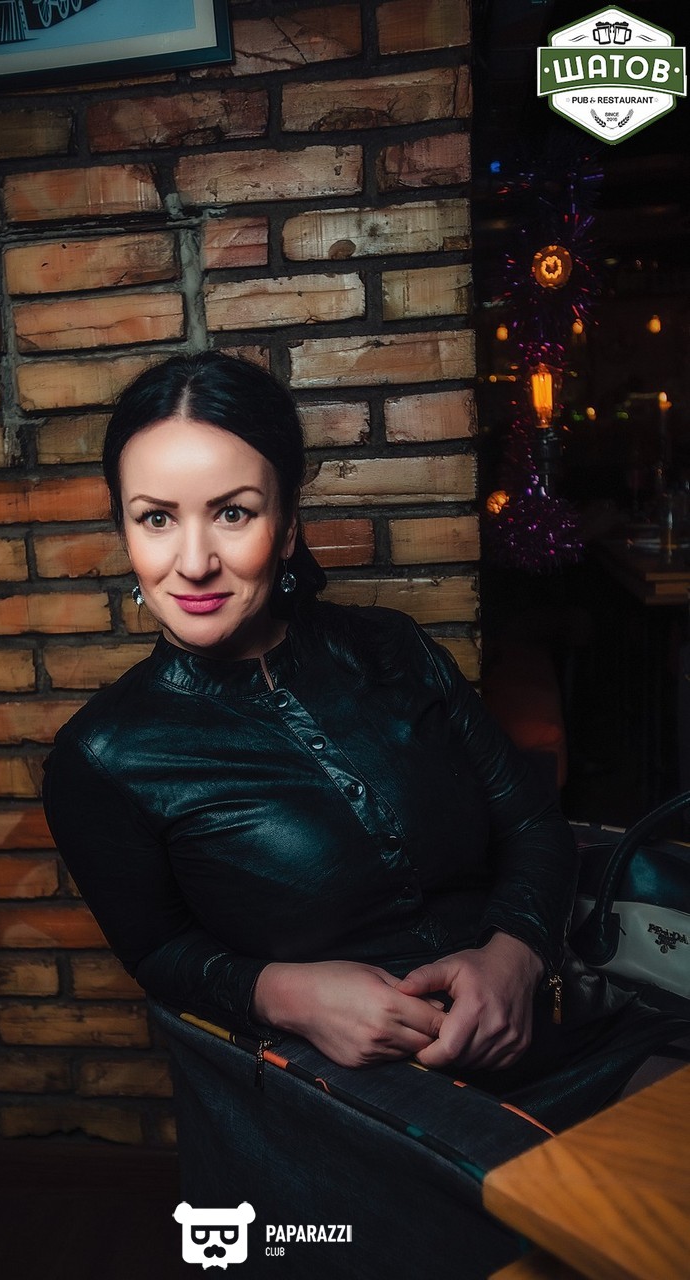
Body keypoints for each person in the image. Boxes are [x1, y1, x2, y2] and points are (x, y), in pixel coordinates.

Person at [43, 351, 686, 1129]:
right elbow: (158, 952)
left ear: (286, 525)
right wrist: (284, 994)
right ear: (123, 528)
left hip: (564, 1019)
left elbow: (528, 821)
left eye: (233, 513)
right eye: (156, 518)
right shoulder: (102, 758)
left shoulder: (393, 649)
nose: (194, 562)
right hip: (362, 1103)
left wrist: (514, 956)